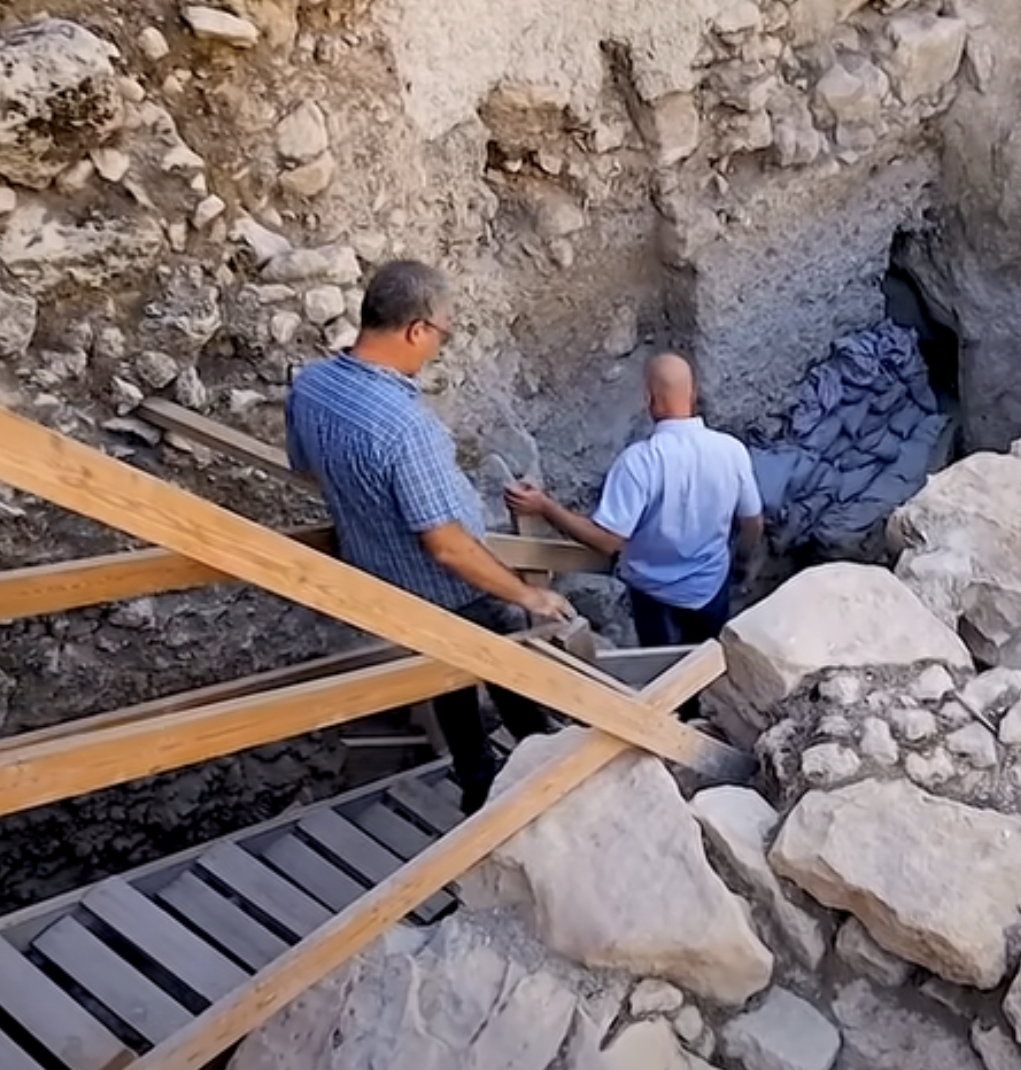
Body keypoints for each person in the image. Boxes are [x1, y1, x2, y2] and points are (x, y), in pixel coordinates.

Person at [284, 259, 575, 814]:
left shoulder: (313, 385)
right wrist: (528, 593)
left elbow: (304, 466)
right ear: (416, 329)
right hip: (451, 588)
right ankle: (552, 784)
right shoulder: (404, 427)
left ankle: (477, 784)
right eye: (442, 332)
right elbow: (445, 544)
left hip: (384, 583)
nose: (439, 346)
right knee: (516, 677)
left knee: (446, 681)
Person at [506, 353, 763, 656]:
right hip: (711, 586)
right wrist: (742, 565)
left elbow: (607, 541)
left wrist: (546, 507)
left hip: (654, 594)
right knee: (708, 666)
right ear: (693, 393)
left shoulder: (639, 462)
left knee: (662, 672)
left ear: (648, 398)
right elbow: (752, 523)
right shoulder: (731, 451)